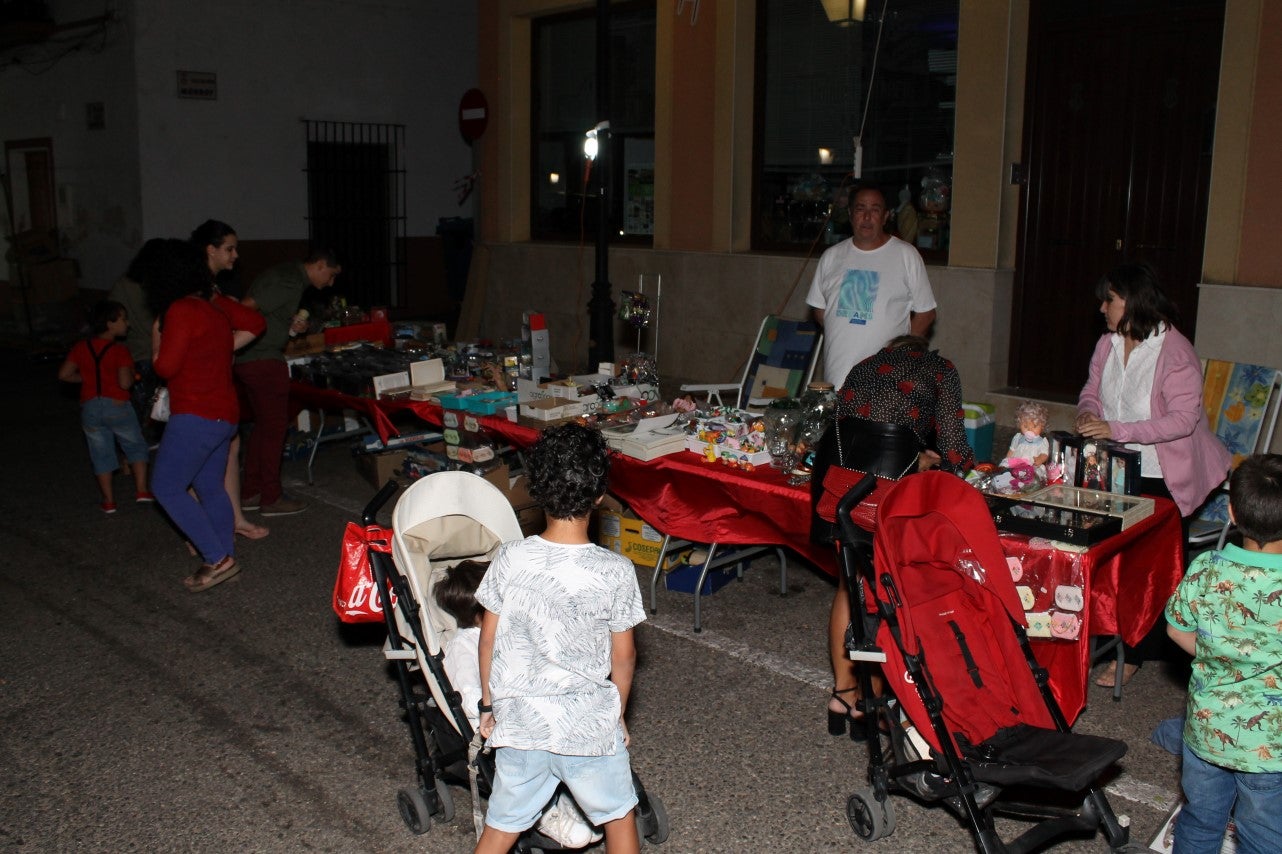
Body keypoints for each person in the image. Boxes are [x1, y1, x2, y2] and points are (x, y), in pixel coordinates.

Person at [473, 424, 645, 854]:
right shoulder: (615, 571)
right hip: (586, 727)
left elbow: (488, 642)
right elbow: (623, 659)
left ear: (536, 491)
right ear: (599, 495)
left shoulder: (510, 557)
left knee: (501, 827)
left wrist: (489, 705)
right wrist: (616, 715)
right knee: (619, 816)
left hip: (522, 724)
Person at [1076, 261, 1230, 686]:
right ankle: (1101, 636)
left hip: (1165, 471)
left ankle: (1139, 653)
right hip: (1116, 464)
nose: (1103, 308)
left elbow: (1182, 420)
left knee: (1148, 567)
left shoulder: (1174, 351)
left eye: (1110, 300)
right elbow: (1091, 390)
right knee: (1104, 552)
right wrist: (1089, 411)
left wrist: (1116, 428)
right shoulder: (1108, 344)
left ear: (1133, 300)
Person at [822, 334, 974, 736]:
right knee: (887, 593)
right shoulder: (940, 370)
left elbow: (846, 430)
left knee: (848, 586)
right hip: (889, 502)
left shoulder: (863, 364)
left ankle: (842, 695)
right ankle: (876, 701)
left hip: (844, 495)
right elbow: (955, 449)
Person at [434, 559, 602, 850]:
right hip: (493, 724)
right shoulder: (464, 648)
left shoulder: (509, 632)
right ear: (480, 612)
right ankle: (542, 811)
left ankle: (567, 794)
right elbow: (471, 698)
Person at [1166, 454, 1282, 854]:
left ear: (1231, 512)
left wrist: (1218, 655)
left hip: (1205, 731)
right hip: (1271, 746)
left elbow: (1176, 628)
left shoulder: (1206, 568)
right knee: (1265, 834)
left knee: (1199, 820)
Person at [143, 238, 266, 592]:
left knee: (165, 486)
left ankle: (217, 557)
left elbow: (165, 366)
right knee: (210, 487)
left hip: (196, 413)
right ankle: (225, 557)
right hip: (224, 413)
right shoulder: (213, 308)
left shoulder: (181, 310)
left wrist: (155, 343)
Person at [234, 248, 341, 517]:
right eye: (331, 275)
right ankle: (271, 497)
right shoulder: (288, 280)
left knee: (263, 427)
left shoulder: (288, 279)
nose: (331, 282)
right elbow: (245, 308)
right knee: (274, 429)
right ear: (319, 265)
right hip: (262, 359)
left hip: (256, 357)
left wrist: (288, 326)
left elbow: (266, 310)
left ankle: (251, 492)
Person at [806, 182, 938, 386]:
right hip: (838, 379)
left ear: (886, 216)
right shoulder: (831, 257)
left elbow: (926, 313)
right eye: (861, 209)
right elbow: (820, 309)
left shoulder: (906, 255)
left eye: (875, 210)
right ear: (850, 214)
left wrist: (898, 357)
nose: (867, 217)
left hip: (887, 383)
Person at [189, 220, 268, 541]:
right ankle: (196, 529)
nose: (235, 255)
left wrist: (223, 346)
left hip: (215, 377)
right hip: (198, 382)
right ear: (211, 250)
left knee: (230, 445)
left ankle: (235, 517)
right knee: (196, 451)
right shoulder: (198, 288)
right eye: (229, 249)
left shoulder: (213, 289)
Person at [57, 300, 152, 513]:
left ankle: (109, 501)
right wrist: (134, 375)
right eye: (123, 319)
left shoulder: (81, 348)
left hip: (90, 407)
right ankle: (142, 490)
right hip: (117, 405)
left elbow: (64, 374)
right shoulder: (120, 351)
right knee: (135, 445)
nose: (127, 324)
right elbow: (125, 383)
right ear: (110, 323)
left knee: (100, 452)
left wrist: (87, 379)